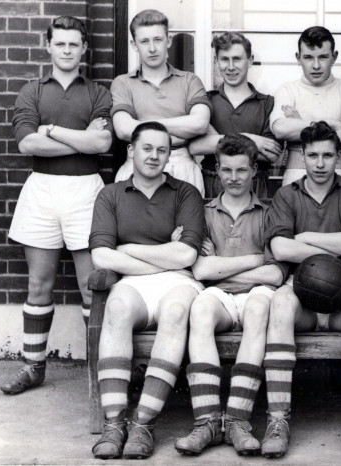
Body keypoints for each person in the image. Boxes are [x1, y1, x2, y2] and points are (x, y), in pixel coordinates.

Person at [2, 16, 112, 395]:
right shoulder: (31, 91)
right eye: (60, 44)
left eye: (73, 44)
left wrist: (50, 131)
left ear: (84, 49)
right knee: (39, 283)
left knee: (91, 286)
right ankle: (33, 366)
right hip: (43, 189)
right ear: (48, 46)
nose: (67, 50)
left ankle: (99, 372)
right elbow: (27, 145)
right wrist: (80, 139)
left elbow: (102, 145)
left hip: (86, 190)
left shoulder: (98, 92)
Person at [261, 121, 341, 459]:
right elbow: (281, 250)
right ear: (302, 156)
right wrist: (338, 243)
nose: (320, 163)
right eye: (312, 155)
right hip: (301, 296)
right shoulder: (287, 194)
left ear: (338, 156)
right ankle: (278, 418)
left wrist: (305, 238)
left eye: (328, 155)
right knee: (280, 304)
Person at [89, 122, 206, 460]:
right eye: (147, 148)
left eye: (162, 150)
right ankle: (114, 423)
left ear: (170, 155)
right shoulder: (111, 194)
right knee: (117, 307)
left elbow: (186, 255)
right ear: (131, 150)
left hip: (179, 282)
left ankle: (144, 423)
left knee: (176, 310)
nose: (154, 156)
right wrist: (162, 257)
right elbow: (100, 255)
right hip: (132, 283)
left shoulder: (186, 193)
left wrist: (126, 249)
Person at [174, 134, 286, 457]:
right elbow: (200, 272)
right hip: (220, 295)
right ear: (217, 172)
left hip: (257, 293)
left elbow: (275, 274)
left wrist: (221, 265)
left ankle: (238, 419)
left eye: (241, 171)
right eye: (226, 171)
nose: (233, 179)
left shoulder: (268, 211)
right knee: (201, 310)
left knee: (259, 310)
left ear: (254, 170)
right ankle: (207, 420)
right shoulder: (205, 211)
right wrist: (254, 260)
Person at [111, 9, 211, 195]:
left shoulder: (189, 80)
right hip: (136, 167)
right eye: (144, 41)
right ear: (134, 44)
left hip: (182, 166)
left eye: (157, 40)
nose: (152, 48)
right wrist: (180, 128)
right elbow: (123, 129)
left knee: (186, 224)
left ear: (169, 40)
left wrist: (145, 127)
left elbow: (200, 123)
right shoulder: (123, 83)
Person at [187, 32, 283, 198]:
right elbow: (196, 146)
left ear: (250, 60)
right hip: (213, 184)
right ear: (216, 61)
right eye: (224, 59)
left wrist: (215, 142)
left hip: (255, 185)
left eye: (237, 59)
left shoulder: (268, 103)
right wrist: (251, 140)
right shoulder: (206, 100)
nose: (231, 67)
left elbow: (271, 154)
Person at [270, 26, 341, 186]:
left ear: (334, 57)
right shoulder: (288, 89)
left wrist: (300, 126)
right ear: (298, 57)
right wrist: (333, 125)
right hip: (296, 174)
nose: (316, 65)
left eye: (323, 57)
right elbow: (280, 129)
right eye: (308, 57)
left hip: (339, 173)